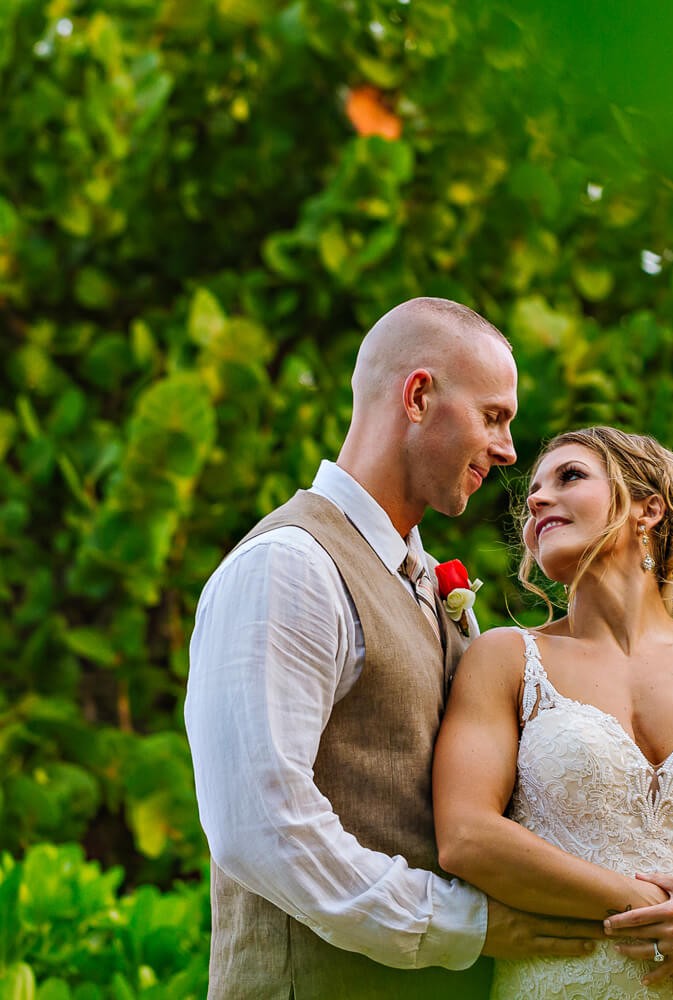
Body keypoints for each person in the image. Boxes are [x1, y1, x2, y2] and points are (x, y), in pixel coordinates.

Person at [185, 298, 604, 999]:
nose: (508, 449)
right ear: (418, 397)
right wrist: (466, 925)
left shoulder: (429, 586)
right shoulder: (289, 566)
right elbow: (261, 827)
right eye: (493, 416)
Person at [432, 426, 673, 999]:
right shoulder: (506, 657)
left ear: (647, 509)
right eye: (533, 492)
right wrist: (657, 910)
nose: (535, 500)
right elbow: (466, 836)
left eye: (570, 476)